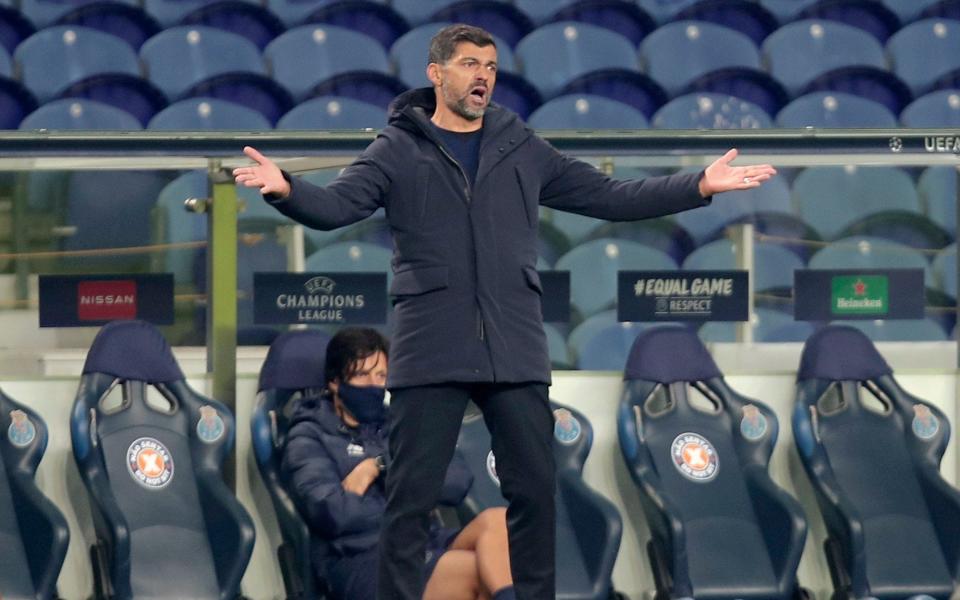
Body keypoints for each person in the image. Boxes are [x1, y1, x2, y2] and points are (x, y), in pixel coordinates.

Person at [234, 24, 777, 600]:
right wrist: (285, 189)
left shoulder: (521, 146)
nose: (483, 77)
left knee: (535, 491)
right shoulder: (396, 148)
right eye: (469, 64)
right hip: (432, 345)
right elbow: (337, 204)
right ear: (436, 74)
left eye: (491, 67)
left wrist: (699, 184)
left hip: (513, 343)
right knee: (410, 498)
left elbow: (612, 198)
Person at [282, 327, 516, 600]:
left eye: (381, 375)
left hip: (420, 541)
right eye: (362, 375)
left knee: (500, 521)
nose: (373, 385)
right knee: (477, 573)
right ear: (335, 381)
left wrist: (378, 467)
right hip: (361, 559)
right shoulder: (309, 435)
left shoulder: (400, 423)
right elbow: (332, 514)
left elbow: (456, 481)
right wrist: (409, 498)